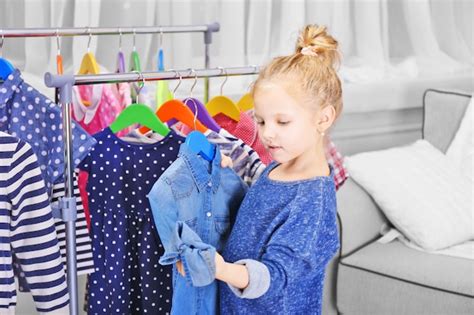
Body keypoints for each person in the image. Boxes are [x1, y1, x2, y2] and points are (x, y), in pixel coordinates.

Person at [177, 24, 342, 314]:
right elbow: (258, 199)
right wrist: (227, 172)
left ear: (323, 118)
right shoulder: (279, 167)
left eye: (282, 122)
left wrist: (219, 269)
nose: (267, 134)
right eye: (262, 121)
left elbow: (276, 276)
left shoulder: (312, 203)